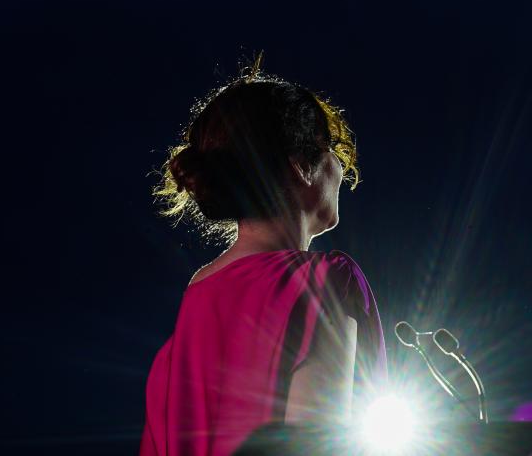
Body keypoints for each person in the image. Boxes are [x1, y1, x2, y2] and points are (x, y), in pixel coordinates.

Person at [139, 59, 387, 456]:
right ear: (302, 167)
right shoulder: (325, 283)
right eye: (331, 150)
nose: (340, 169)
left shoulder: (176, 346)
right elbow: (317, 444)